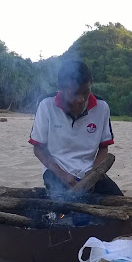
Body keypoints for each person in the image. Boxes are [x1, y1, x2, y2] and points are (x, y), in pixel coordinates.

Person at [29, 60, 123, 200]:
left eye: (86, 92)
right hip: (56, 171)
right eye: (74, 94)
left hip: (90, 172)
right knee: (66, 204)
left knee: (119, 201)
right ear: (60, 88)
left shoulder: (102, 107)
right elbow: (39, 149)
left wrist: (93, 174)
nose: (81, 99)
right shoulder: (46, 105)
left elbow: (103, 148)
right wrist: (62, 174)